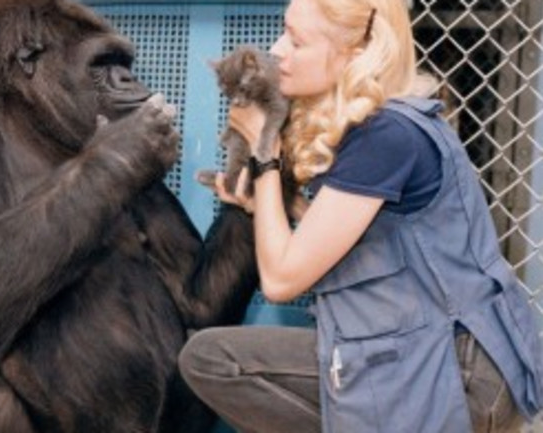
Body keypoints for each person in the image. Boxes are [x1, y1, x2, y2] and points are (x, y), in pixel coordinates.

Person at [177, 0, 543, 432]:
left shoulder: (385, 135)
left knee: (213, 360)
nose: (278, 50)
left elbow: (280, 279)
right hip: (429, 353)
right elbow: (361, 240)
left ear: (355, 53)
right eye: (283, 32)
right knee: (213, 358)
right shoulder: (382, 126)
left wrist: (265, 149)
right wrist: (271, 205)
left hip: (452, 372)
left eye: (297, 41)